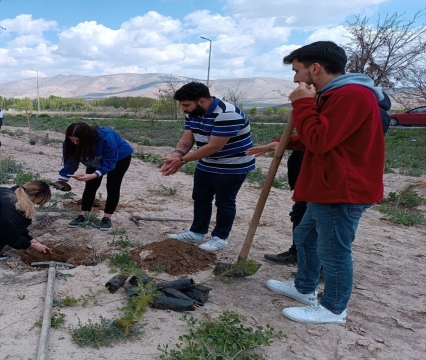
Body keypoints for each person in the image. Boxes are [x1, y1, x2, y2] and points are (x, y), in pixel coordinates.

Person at [264, 41, 385, 324]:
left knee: (332, 250)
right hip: (327, 185)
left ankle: (333, 308)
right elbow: (324, 135)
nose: (295, 79)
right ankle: (304, 287)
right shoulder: (334, 94)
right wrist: (282, 144)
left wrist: (303, 103)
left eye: (297, 71)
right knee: (305, 237)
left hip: (342, 189)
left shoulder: (352, 95)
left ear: (314, 67)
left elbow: (320, 140)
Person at [160, 82, 255, 252]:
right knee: (200, 197)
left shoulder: (228, 114)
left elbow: (214, 146)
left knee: (224, 201)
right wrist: (176, 155)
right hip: (207, 162)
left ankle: (220, 237)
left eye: (186, 105)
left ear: (202, 101)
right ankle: (197, 232)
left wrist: (182, 161)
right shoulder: (193, 113)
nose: (183, 109)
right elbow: (187, 139)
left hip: (233, 165)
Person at [56, 122, 133, 231]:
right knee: (90, 185)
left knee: (113, 186)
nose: (75, 143)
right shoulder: (70, 143)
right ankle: (83, 215)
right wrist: (63, 179)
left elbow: (109, 162)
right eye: (72, 140)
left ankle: (107, 218)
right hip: (95, 157)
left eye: (78, 140)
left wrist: (94, 174)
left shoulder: (105, 138)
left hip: (119, 157)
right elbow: (71, 160)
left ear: (86, 137)